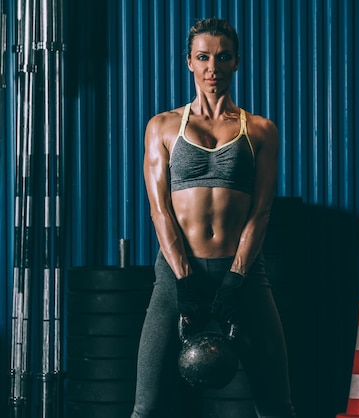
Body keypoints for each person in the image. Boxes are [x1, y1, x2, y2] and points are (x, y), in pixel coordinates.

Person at [131, 17, 296, 418]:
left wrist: (237, 278)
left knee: (277, 403)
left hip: (242, 274)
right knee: (147, 405)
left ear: (236, 62)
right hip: (176, 273)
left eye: (223, 58)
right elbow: (160, 209)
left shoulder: (260, 130)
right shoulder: (164, 127)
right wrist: (185, 278)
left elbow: (261, 211)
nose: (213, 68)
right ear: (189, 61)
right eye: (203, 57)